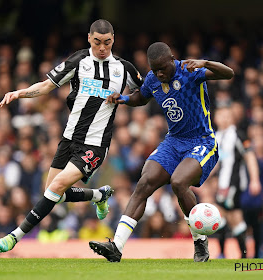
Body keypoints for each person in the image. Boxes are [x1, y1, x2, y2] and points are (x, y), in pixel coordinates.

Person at [0, 19, 144, 252]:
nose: (102, 48)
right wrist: (19, 92)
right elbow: (46, 86)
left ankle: (15, 236)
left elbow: (142, 95)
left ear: (113, 39)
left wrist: (124, 99)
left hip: (95, 145)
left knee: (58, 186)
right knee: (52, 193)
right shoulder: (78, 61)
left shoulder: (124, 68)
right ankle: (98, 195)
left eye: (107, 42)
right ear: (89, 39)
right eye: (97, 42)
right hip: (69, 138)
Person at [89, 42, 234, 262]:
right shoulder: (153, 79)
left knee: (178, 182)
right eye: (154, 69)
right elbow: (142, 97)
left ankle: (200, 243)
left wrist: (204, 62)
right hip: (173, 141)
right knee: (144, 183)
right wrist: (124, 99)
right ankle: (116, 247)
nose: (159, 73)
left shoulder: (190, 71)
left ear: (172, 59)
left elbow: (228, 73)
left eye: (162, 68)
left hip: (201, 142)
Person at [213, 105, 261, 258]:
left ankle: (227, 253)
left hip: (233, 184)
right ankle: (242, 254)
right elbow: (215, 163)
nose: (224, 118)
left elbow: (250, 156)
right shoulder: (217, 136)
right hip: (221, 185)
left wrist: (255, 180)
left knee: (224, 216)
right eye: (221, 115)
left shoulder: (238, 135)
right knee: (232, 218)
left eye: (227, 115)